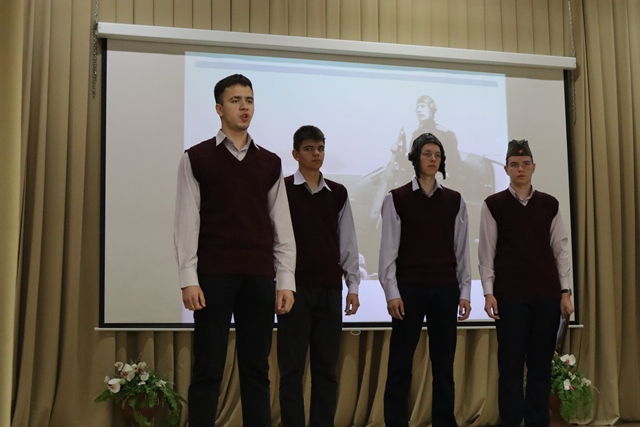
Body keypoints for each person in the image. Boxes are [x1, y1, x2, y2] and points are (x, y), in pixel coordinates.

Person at [173, 73, 296, 427]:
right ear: (219, 108)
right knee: (208, 366)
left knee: (257, 370)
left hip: (259, 276)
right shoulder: (197, 157)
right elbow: (186, 221)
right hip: (213, 275)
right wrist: (188, 278)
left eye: (249, 100)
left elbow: (281, 226)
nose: (244, 107)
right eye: (235, 100)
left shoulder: (270, 162)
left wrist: (285, 280)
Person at [477, 139, 574, 427]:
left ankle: (537, 421)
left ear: (534, 167)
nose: (520, 168)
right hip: (509, 298)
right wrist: (488, 292)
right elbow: (486, 252)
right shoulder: (493, 205)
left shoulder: (550, 204)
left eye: (525, 163)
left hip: (545, 296)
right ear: (506, 169)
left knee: (540, 366)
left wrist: (565, 292)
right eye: (515, 164)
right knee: (510, 366)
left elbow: (560, 250)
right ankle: (511, 421)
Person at [379, 132, 472, 427]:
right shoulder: (397, 198)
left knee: (444, 365)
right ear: (416, 158)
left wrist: (465, 291)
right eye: (427, 154)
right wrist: (392, 292)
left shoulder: (455, 200)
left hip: (445, 289)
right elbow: (388, 251)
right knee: (400, 363)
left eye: (437, 155)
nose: (433, 159)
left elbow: (461, 251)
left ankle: (444, 421)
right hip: (408, 289)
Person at [277, 125, 361, 427]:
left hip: (329, 290)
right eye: (310, 149)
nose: (316, 154)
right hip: (294, 290)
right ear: (295, 153)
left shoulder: (337, 193)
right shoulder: (282, 189)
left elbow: (347, 242)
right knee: (292, 371)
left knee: (326, 370)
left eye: (321, 148)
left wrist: (353, 286)